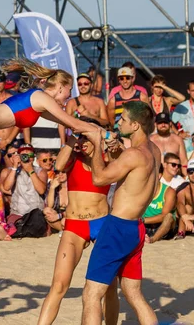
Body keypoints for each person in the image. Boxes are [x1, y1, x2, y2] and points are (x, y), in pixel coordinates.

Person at [80, 101, 160, 325]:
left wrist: (97, 147)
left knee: (91, 294)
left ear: (135, 125)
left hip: (118, 226)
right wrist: (118, 153)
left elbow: (99, 178)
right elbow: (146, 186)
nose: (118, 123)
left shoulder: (133, 154)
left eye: (123, 119)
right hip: (137, 227)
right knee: (132, 292)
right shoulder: (155, 151)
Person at [38, 130, 118, 325]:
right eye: (81, 137)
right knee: (59, 286)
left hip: (102, 222)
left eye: (86, 137)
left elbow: (120, 152)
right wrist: (73, 136)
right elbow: (57, 165)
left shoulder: (107, 160)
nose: (83, 142)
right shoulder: (73, 158)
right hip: (74, 225)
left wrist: (109, 139)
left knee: (109, 287)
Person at [1, 143, 48, 231]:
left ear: (33, 157)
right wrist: (15, 167)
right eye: (23, 155)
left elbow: (41, 190)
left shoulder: (40, 172)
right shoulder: (13, 171)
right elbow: (6, 187)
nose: (26, 158)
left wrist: (30, 170)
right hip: (17, 213)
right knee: (12, 229)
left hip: (35, 214)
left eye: (29, 155)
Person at [142, 169, 176, 244]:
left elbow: (164, 216)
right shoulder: (141, 190)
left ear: (159, 176)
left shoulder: (169, 191)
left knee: (169, 216)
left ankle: (152, 239)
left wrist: (143, 220)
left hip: (163, 227)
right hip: (145, 225)